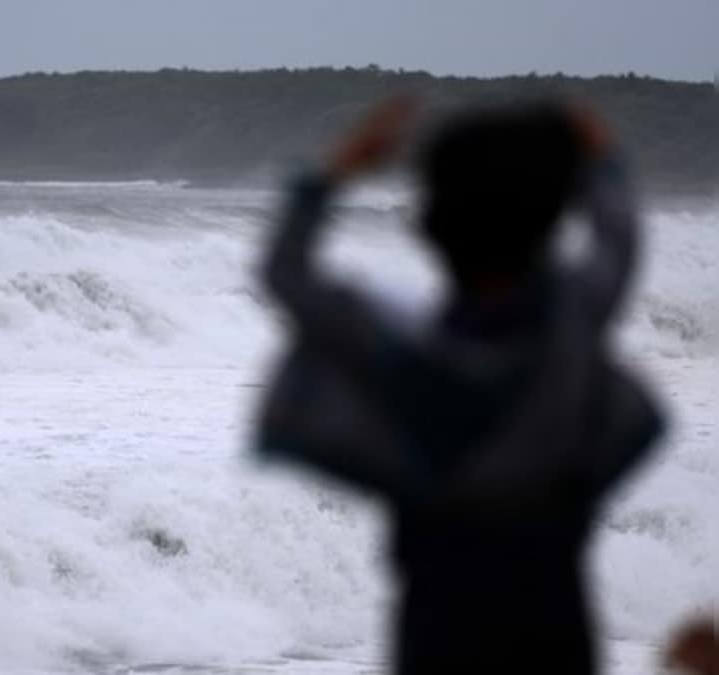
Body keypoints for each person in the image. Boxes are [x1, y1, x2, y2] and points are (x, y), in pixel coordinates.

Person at [254, 98, 665, 675]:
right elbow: (617, 246)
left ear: (430, 228)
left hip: (437, 627)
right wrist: (603, 160)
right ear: (548, 222)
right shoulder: (566, 331)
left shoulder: (401, 351)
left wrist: (335, 171)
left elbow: (285, 275)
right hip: (552, 625)